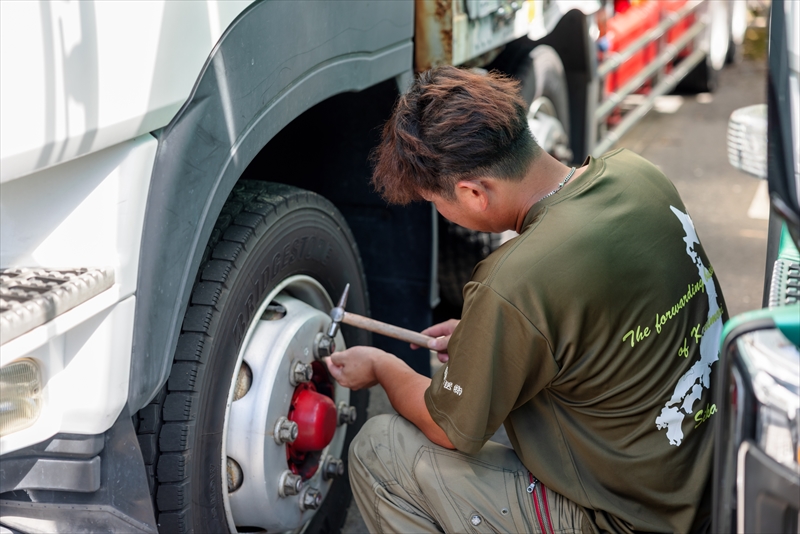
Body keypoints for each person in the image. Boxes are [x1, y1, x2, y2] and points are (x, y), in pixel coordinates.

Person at [324, 66, 726, 534]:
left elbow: (447, 430)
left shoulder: (513, 281)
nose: (443, 213)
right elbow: (596, 318)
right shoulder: (639, 174)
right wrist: (487, 333)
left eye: (437, 202)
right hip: (707, 484)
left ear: (472, 193)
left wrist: (381, 366)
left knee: (380, 449)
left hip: (629, 520)